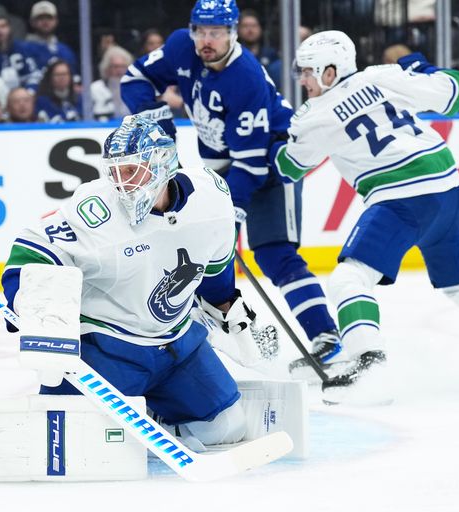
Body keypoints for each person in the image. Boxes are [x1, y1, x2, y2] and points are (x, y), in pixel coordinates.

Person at [273, 31, 459, 402]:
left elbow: (289, 167)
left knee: (349, 277)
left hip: (402, 197)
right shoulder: (383, 75)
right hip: (448, 190)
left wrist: (274, 136)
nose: (302, 80)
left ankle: (368, 364)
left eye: (307, 72)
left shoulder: (316, 115)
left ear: (330, 72)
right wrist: (430, 71)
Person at [1, 115, 264, 449]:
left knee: (227, 428)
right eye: (113, 172)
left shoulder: (210, 196)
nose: (120, 184)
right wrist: (25, 300)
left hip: (178, 346)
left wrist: (227, 303)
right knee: (78, 444)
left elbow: (216, 264)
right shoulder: (96, 209)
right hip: (108, 348)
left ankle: (155, 416)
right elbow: (30, 252)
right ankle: (130, 417)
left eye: (129, 170)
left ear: (161, 163)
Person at [121, 0, 342, 367]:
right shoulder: (180, 46)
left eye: (216, 33)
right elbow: (135, 78)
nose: (207, 40)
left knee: (274, 255)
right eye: (201, 31)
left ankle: (325, 336)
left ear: (233, 33)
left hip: (270, 164)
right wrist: (158, 119)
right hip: (222, 167)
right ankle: (201, 336)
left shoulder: (246, 78)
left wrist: (230, 217)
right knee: (196, 253)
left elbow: (251, 165)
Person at [0, 3, 51, 92]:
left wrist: (29, 93)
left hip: (22, 99)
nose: (0, 31)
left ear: (9, 27)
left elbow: (34, 76)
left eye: (3, 26)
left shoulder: (21, 48)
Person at [24, 1, 79, 77]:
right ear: (32, 22)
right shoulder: (23, 49)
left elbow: (74, 77)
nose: (45, 21)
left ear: (56, 21)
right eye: (40, 18)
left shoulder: (65, 50)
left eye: (49, 18)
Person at [91, 45, 133, 121]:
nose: (120, 70)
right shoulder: (95, 88)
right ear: (106, 68)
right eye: (115, 66)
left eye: (123, 66)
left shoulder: (135, 89)